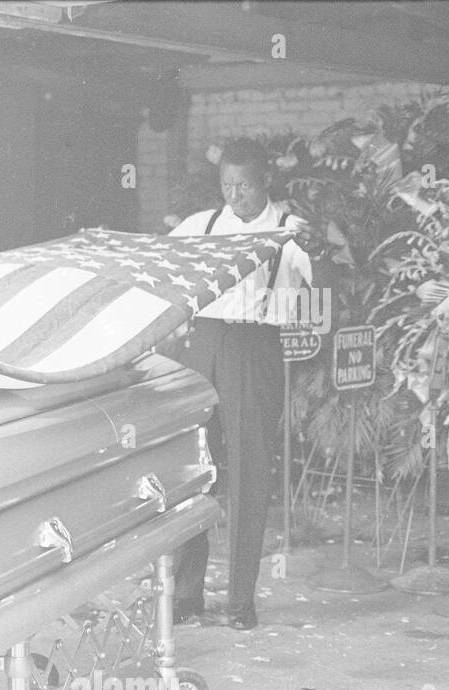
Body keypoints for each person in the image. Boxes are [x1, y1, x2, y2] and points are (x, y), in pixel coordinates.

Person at [166, 138, 316, 631]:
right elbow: (166, 269)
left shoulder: (289, 229)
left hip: (255, 348)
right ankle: (187, 595)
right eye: (228, 185)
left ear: (264, 181)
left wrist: (315, 248)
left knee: (250, 470)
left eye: (245, 186)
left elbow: (322, 283)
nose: (235, 196)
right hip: (202, 344)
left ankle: (240, 600)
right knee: (192, 469)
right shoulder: (201, 226)